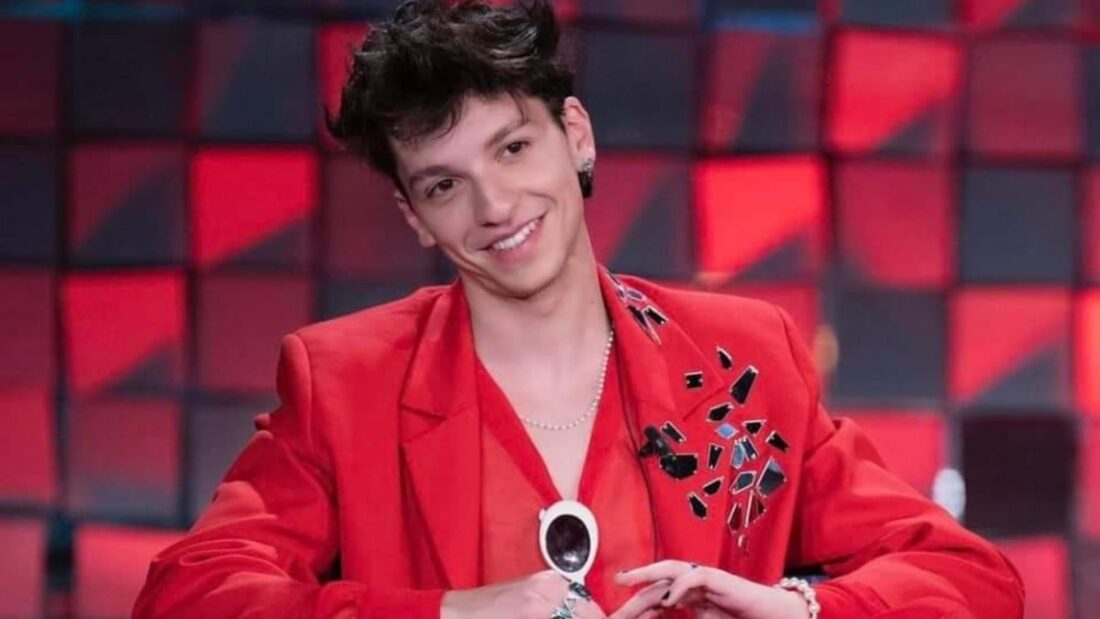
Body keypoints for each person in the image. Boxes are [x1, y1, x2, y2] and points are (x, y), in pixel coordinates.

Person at [133, 1, 1025, 617]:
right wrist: (449, 612)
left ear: (577, 136)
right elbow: (187, 597)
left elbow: (970, 580)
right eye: (445, 184)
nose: (495, 205)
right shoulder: (344, 382)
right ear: (414, 215)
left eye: (513, 148)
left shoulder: (745, 358)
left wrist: (796, 607)